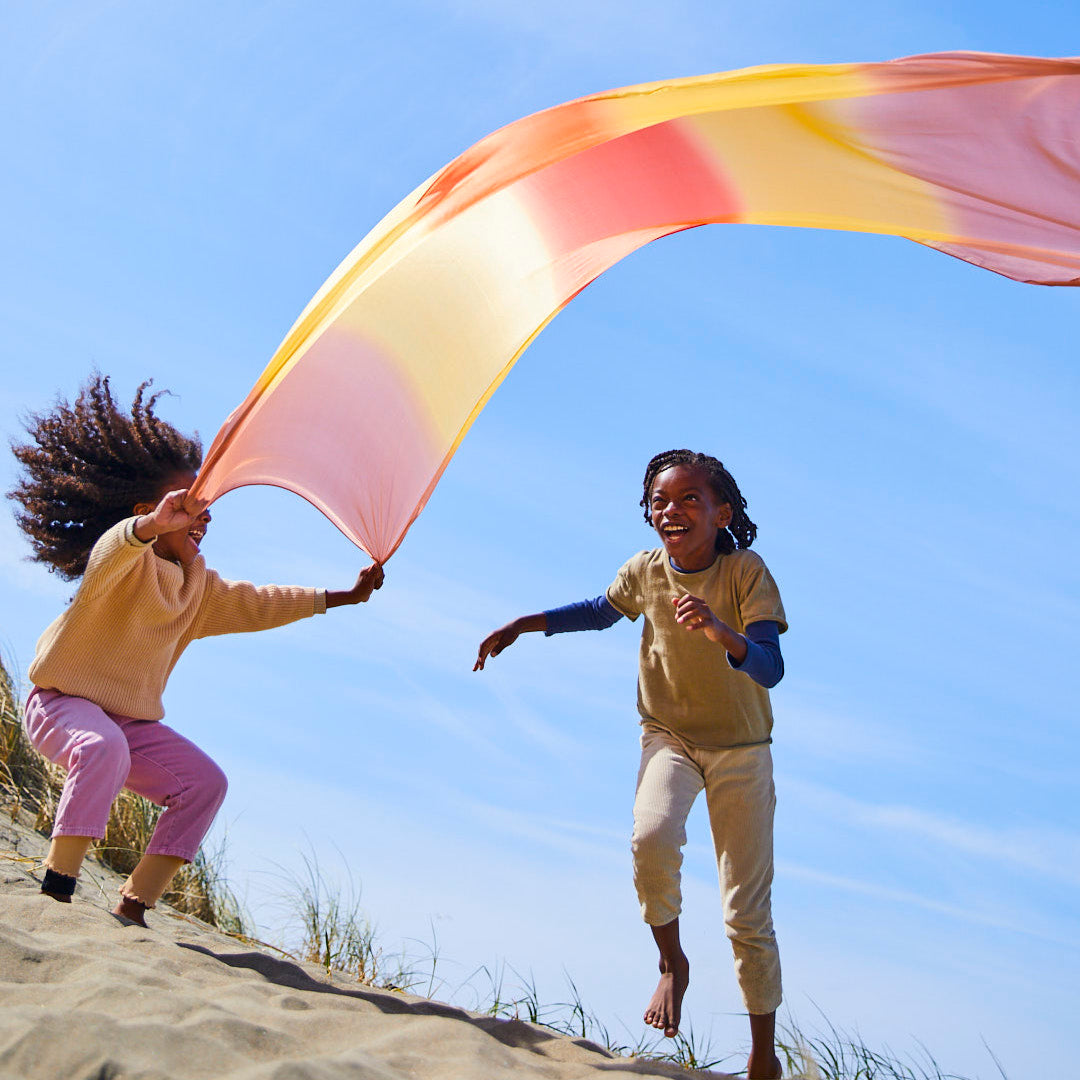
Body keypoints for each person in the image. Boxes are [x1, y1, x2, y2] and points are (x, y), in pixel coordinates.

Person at [9, 374, 384, 926]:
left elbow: (261, 602)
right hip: (61, 706)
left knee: (204, 783)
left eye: (206, 508)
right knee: (102, 745)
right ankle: (58, 887)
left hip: (128, 724)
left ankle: (135, 905)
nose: (200, 517)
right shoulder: (119, 562)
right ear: (149, 509)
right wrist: (148, 526)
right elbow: (115, 549)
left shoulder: (198, 590)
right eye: (187, 506)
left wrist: (341, 598)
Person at [474, 449, 787, 1080]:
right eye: (660, 501)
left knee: (744, 913)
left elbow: (770, 667)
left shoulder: (745, 571)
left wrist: (722, 632)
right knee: (650, 839)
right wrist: (524, 624)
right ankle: (672, 962)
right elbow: (599, 611)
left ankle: (762, 1054)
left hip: (741, 752)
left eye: (689, 499)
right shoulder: (646, 571)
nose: (671, 510)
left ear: (721, 511)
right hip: (668, 734)